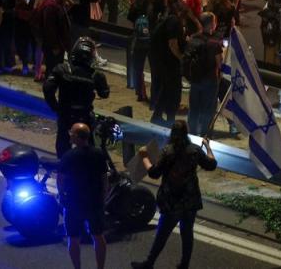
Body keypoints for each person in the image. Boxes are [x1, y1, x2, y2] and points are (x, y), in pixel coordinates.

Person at [131, 121, 218, 269]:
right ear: (186, 133)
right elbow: (212, 164)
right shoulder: (195, 150)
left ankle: (149, 263)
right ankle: (184, 265)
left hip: (171, 200)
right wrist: (208, 146)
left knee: (162, 234)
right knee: (187, 232)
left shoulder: (168, 151)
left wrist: (144, 156)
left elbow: (153, 173)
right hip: (190, 199)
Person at [43, 37, 111, 159]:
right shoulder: (96, 75)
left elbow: (47, 89)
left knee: (62, 150)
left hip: (65, 115)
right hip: (85, 117)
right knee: (90, 152)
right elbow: (105, 93)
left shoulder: (62, 69)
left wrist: (56, 107)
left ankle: (63, 171)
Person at [58, 122, 108, 269]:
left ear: (78, 137)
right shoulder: (98, 154)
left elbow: (60, 179)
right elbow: (104, 179)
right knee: (98, 236)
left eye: (71, 133)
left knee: (73, 238)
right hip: (94, 202)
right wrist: (103, 198)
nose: (69, 135)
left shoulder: (68, 156)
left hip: (74, 203)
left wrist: (61, 195)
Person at [186, 13, 223, 137]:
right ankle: (204, 135)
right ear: (212, 24)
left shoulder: (193, 38)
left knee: (194, 108)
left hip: (195, 79)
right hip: (210, 80)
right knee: (208, 109)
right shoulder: (214, 43)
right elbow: (219, 63)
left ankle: (191, 133)